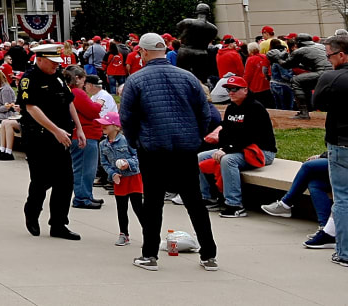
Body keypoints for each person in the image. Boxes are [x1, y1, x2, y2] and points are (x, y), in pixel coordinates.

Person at [118, 32, 221, 272]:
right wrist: (195, 137)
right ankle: (209, 255)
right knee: (194, 201)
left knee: (153, 202)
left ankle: (150, 255)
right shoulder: (188, 78)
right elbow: (205, 113)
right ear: (164, 50)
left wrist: (135, 141)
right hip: (185, 147)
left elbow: (127, 118)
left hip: (153, 148)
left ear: (142, 52)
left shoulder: (136, 80)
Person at [311, 32, 348, 267]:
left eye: (330, 56)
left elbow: (318, 104)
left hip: (343, 146)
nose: (329, 60)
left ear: (342, 55)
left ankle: (346, 254)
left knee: (344, 201)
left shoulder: (332, 77)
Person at [18, 44, 83, 240]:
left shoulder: (58, 77)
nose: (56, 66)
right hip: (39, 137)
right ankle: (32, 211)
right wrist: (55, 130)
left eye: (58, 63)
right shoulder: (29, 79)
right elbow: (31, 108)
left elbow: (69, 101)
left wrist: (79, 128)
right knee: (41, 180)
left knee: (65, 181)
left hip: (62, 136)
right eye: (52, 62)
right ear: (39, 59)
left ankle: (58, 224)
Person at [198, 75, 276, 218]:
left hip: (260, 151)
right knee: (201, 157)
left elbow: (250, 137)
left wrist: (226, 150)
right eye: (228, 90)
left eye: (235, 89)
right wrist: (222, 148)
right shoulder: (231, 108)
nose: (231, 92)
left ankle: (235, 205)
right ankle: (208, 198)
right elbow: (225, 133)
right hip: (238, 149)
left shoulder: (256, 108)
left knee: (228, 160)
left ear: (245, 90)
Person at [97, 111, 143, 247]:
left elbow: (137, 157)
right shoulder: (102, 145)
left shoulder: (128, 140)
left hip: (133, 177)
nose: (102, 127)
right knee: (121, 208)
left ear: (116, 126)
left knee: (138, 207)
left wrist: (128, 163)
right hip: (119, 179)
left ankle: (149, 233)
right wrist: (112, 174)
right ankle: (124, 234)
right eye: (102, 125)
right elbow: (104, 163)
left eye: (106, 125)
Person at [66, 66, 105, 210]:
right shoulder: (77, 93)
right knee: (85, 168)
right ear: (77, 78)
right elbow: (93, 111)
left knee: (85, 168)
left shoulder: (70, 92)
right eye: (83, 79)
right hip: (85, 135)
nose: (84, 82)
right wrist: (99, 104)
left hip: (81, 134)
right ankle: (82, 197)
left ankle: (86, 194)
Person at [276, 34, 334, 119]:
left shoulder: (300, 50)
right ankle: (308, 109)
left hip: (323, 73)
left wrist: (277, 58)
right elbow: (310, 66)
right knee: (304, 83)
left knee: (295, 81)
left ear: (298, 42)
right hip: (334, 72)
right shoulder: (321, 46)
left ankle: (304, 113)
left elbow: (286, 65)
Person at [0, 70, 20, 161]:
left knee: (5, 123)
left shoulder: (5, 89)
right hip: (3, 117)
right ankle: (2, 149)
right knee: (3, 123)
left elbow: (8, 106)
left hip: (9, 115)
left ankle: (8, 152)